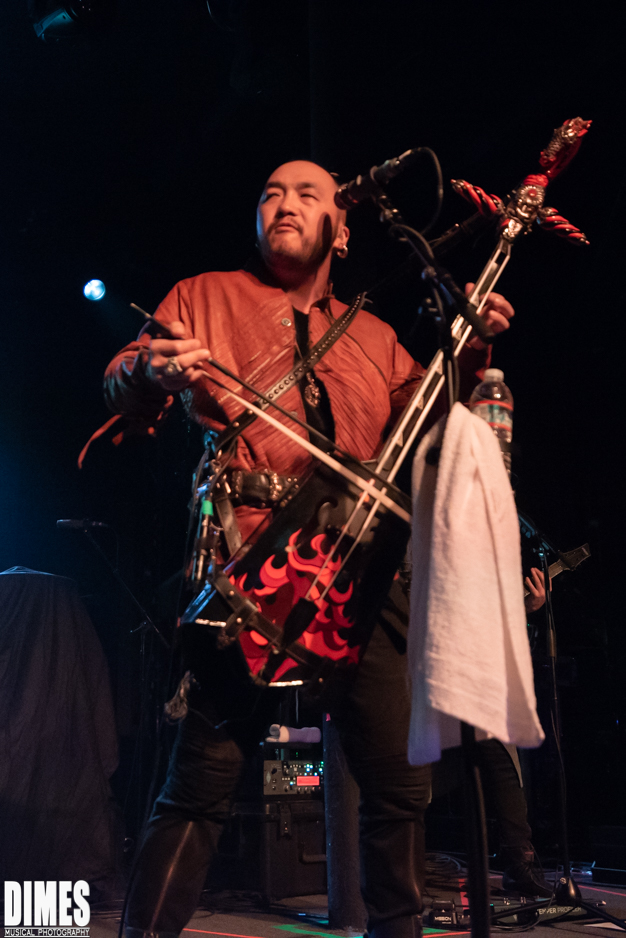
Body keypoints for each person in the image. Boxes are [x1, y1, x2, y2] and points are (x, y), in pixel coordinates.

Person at [104, 160, 515, 938]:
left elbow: (424, 430)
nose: (283, 205)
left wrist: (468, 353)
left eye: (305, 193)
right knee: (203, 781)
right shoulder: (204, 295)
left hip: (362, 573)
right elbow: (123, 380)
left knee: (399, 789)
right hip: (257, 564)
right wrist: (147, 370)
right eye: (269, 194)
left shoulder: (376, 337)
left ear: (344, 228)